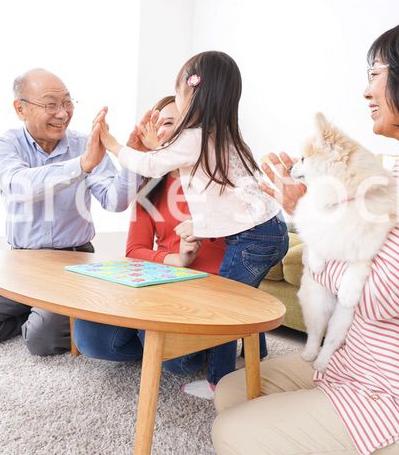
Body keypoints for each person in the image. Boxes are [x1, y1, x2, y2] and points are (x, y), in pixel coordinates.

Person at [212, 16, 399, 454]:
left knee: (232, 433)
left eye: (376, 74)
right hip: (360, 367)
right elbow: (360, 251)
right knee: (233, 393)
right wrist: (307, 206)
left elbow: (375, 295)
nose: (367, 91)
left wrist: (304, 213)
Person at [96, 51, 290, 399]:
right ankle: (257, 351)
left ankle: (219, 382)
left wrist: (111, 143)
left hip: (252, 238)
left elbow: (151, 162)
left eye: (178, 93)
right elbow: (224, 200)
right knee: (244, 298)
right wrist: (198, 225)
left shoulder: (194, 139)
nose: (168, 125)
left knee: (225, 306)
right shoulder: (224, 137)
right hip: (271, 230)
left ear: (193, 92)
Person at [0, 68, 141, 356]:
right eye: (51, 105)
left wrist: (131, 160)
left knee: (42, 340)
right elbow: (19, 185)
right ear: (20, 109)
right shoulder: (4, 144)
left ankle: (43, 317)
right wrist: (81, 166)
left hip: (73, 259)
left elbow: (114, 201)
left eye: (68, 103)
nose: (62, 113)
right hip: (20, 261)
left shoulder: (86, 145)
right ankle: (32, 312)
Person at [73, 96, 228, 377]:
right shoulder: (148, 185)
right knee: (89, 338)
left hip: (206, 290)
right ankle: (152, 342)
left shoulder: (218, 176)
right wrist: (175, 259)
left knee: (175, 360)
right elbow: (135, 251)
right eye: (167, 123)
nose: (177, 132)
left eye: (187, 124)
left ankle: (175, 344)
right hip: (161, 280)